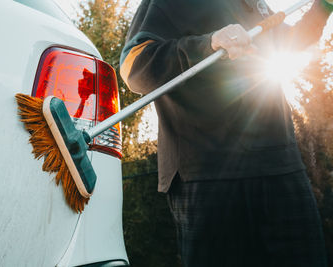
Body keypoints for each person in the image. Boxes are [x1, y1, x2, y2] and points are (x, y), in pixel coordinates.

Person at [120, 0, 332, 266]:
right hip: (208, 175)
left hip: (281, 166)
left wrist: (323, 7)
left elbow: (289, 42)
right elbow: (134, 67)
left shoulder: (256, 4)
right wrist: (208, 44)